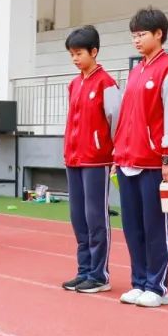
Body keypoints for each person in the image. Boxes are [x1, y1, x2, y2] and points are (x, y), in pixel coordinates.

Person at [112, 8, 168, 307]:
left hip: (154, 161)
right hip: (129, 159)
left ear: (159, 34)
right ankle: (139, 281)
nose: (136, 40)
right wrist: (118, 153)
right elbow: (127, 117)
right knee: (133, 226)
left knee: (157, 226)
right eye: (133, 35)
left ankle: (158, 286)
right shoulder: (137, 71)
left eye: (141, 34)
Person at [61, 26, 119, 294]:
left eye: (79, 53)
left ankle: (99, 274)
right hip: (74, 159)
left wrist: (115, 153)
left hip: (97, 160)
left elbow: (116, 122)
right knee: (78, 218)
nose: (75, 58)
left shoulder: (106, 83)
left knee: (96, 217)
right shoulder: (74, 84)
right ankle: (84, 270)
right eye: (72, 54)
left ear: (94, 52)